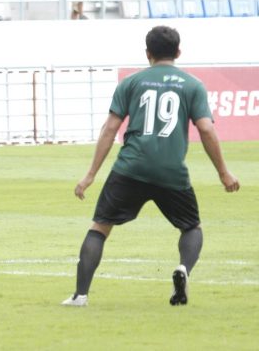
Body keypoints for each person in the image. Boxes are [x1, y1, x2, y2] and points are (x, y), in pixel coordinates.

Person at [62, 26, 240, 307]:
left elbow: (110, 128)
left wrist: (90, 175)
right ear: (178, 52)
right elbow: (206, 129)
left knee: (100, 227)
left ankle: (80, 295)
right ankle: (183, 269)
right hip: (171, 171)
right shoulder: (192, 85)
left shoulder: (131, 83)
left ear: (148, 53)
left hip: (130, 168)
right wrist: (223, 172)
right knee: (191, 227)